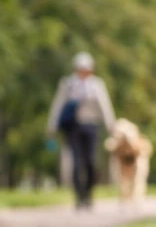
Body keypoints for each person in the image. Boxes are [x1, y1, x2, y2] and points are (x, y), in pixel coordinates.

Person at [46, 52, 117, 210]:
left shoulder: (97, 85)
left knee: (91, 161)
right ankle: (79, 197)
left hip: (91, 126)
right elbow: (58, 105)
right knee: (77, 162)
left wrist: (111, 125)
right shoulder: (68, 84)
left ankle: (89, 194)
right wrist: (52, 125)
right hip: (74, 127)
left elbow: (104, 106)